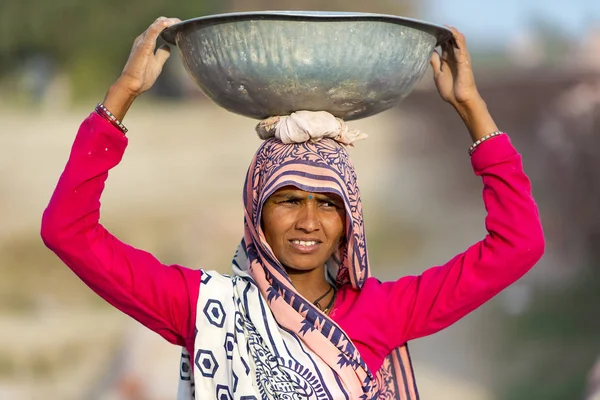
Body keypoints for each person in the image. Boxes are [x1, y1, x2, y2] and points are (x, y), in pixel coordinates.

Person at [41, 16, 545, 400]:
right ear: (255, 211)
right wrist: (122, 95)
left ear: (349, 221)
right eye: (288, 200)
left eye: (329, 204)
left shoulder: (379, 311)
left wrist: (471, 107)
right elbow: (68, 230)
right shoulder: (202, 309)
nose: (309, 222)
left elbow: (518, 244)